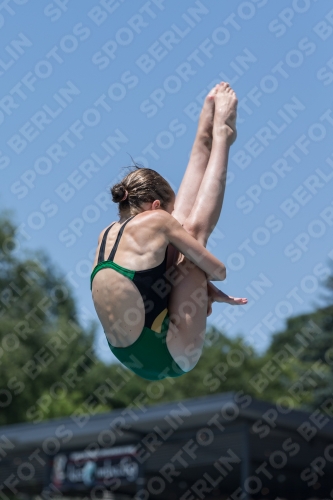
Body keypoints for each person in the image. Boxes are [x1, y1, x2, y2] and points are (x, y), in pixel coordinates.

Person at [91, 82, 247, 381]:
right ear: (157, 206)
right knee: (193, 238)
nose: (175, 219)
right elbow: (219, 270)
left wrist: (197, 285)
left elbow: (145, 287)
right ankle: (219, 137)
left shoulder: (106, 235)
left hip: (134, 353)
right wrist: (203, 282)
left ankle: (211, 134)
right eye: (170, 211)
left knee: (187, 240)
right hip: (166, 353)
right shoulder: (159, 220)